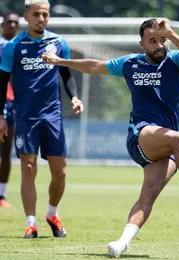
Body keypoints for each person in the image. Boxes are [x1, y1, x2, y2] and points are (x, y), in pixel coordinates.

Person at [42, 18, 179, 256]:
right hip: (140, 135)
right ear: (142, 45)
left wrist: (171, 34)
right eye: (153, 41)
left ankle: (121, 242)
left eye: (162, 40)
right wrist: (61, 61)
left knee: (149, 193)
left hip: (165, 144)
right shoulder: (130, 63)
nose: (159, 45)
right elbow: (94, 66)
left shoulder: (175, 61)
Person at [0, 0, 84, 238]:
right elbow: (2, 82)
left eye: (45, 15)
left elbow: (66, 74)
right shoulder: (14, 47)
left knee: (60, 172)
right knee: (28, 167)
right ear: (27, 16)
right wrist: (0, 116)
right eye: (36, 14)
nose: (41, 19)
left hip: (52, 116)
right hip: (25, 117)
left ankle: (52, 213)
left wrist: (75, 97)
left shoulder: (59, 43)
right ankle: (31, 223)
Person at [0, 12, 20, 208]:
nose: (12, 26)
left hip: (10, 102)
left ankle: (1, 195)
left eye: (15, 23)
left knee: (6, 149)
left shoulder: (19, 47)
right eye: (9, 22)